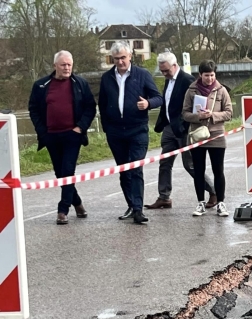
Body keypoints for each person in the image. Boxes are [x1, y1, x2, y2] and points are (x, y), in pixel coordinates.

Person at [28, 50, 96, 225]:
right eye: (63, 64)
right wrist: (42, 132)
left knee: (67, 171)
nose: (67, 68)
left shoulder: (80, 83)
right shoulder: (41, 85)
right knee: (60, 173)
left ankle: (63, 210)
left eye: (69, 65)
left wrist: (80, 128)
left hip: (72, 135)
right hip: (50, 136)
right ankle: (78, 203)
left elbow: (90, 107)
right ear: (55, 66)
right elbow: (34, 109)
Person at [99, 41, 163, 224]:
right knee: (124, 171)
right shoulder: (107, 78)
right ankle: (131, 204)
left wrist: (148, 104)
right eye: (116, 59)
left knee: (135, 169)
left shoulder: (142, 75)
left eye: (123, 58)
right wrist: (107, 128)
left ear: (130, 56)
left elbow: (158, 98)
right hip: (116, 132)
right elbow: (102, 104)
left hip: (137, 130)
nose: (120, 62)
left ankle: (138, 209)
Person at [146, 52, 218, 210]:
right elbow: (168, 103)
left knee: (189, 165)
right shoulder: (168, 81)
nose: (164, 74)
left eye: (166, 71)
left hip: (184, 129)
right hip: (168, 129)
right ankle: (164, 197)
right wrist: (164, 123)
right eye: (162, 71)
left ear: (174, 65)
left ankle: (213, 192)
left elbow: (196, 105)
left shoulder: (187, 80)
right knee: (164, 163)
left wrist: (188, 123)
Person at [182, 60, 233, 217]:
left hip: (216, 134)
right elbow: (184, 114)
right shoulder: (191, 90)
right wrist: (198, 116)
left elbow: (229, 113)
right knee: (199, 170)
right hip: (198, 134)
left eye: (212, 75)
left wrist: (213, 116)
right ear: (200, 75)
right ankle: (200, 203)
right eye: (206, 75)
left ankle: (221, 203)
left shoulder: (221, 90)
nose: (209, 79)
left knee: (218, 170)